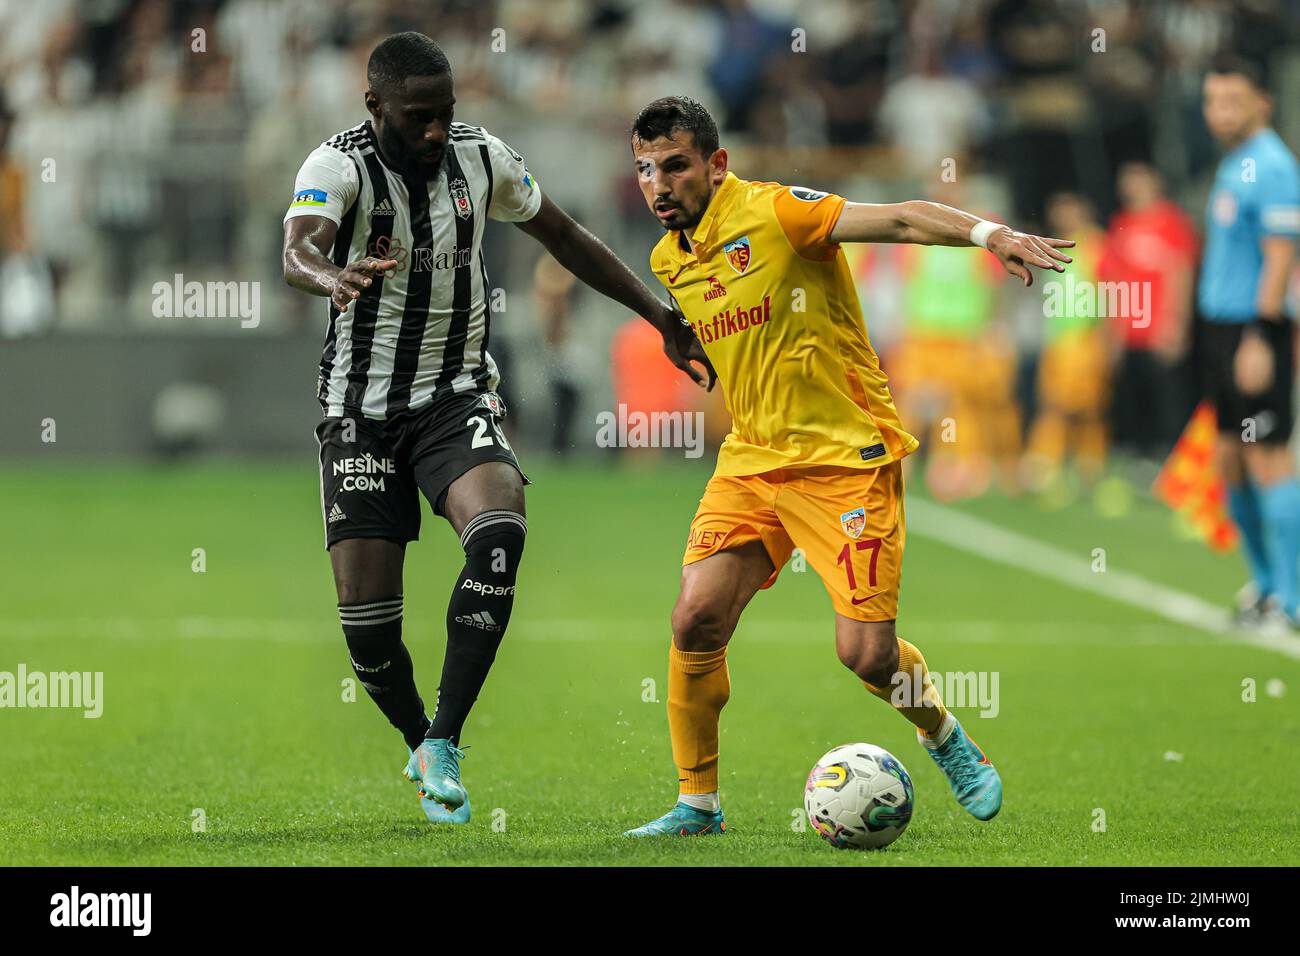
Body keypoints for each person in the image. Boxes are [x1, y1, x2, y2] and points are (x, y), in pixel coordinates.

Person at [281, 34, 711, 825]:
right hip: (360, 414)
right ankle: (418, 738)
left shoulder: (483, 160)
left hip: (455, 399)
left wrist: (659, 315)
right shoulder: (335, 168)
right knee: (370, 636)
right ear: (375, 107)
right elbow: (296, 248)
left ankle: (446, 737)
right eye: (419, 117)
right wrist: (327, 275)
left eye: (447, 113)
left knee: (500, 528)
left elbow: (568, 237)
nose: (438, 130)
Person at [623, 96, 1072, 836]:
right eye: (645, 170)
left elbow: (897, 218)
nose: (659, 184)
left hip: (846, 461)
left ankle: (944, 736)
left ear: (716, 163)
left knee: (865, 655)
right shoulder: (669, 258)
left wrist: (990, 234)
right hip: (753, 463)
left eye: (674, 165)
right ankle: (697, 803)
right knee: (695, 618)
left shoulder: (777, 214)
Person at [1197, 55, 1300, 631]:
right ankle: (1265, 586)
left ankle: (1291, 598)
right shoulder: (1237, 163)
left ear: (1263, 101)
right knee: (1230, 459)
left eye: (1232, 101)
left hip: (1254, 329)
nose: (1219, 113)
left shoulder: (1274, 166)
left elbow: (1282, 257)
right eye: (1212, 101)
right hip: (1220, 332)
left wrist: (1261, 338)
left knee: (1268, 456)